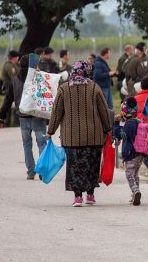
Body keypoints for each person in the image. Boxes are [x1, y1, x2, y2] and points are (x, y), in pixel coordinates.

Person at [46, 61, 112, 207]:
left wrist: (50, 131)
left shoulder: (63, 89)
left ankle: (77, 197)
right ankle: (90, 194)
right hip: (93, 136)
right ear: (87, 72)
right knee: (91, 165)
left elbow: (56, 113)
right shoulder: (94, 87)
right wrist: (108, 129)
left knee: (74, 167)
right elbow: (104, 112)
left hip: (71, 138)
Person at [0, 55, 48, 179]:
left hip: (23, 117)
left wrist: (1, 118)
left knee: (27, 145)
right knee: (42, 143)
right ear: (33, 64)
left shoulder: (15, 80)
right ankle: (42, 171)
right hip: (37, 116)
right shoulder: (39, 78)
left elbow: (7, 101)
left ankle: (31, 172)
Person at [113, 97, 144, 206]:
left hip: (131, 153)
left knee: (129, 174)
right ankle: (135, 194)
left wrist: (116, 125)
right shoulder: (138, 121)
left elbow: (122, 135)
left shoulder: (130, 123)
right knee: (135, 174)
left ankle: (135, 191)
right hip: (139, 153)